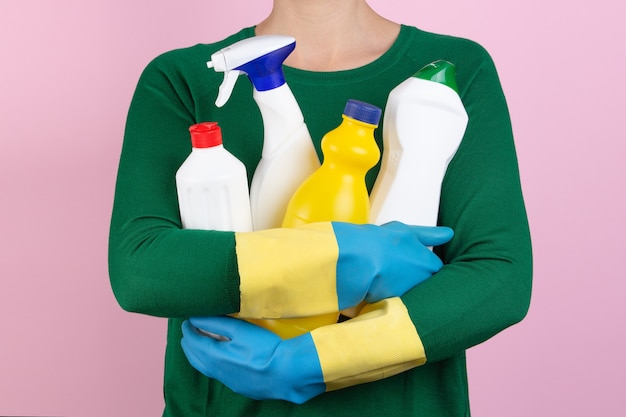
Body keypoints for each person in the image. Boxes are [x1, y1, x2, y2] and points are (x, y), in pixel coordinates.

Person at [108, 0, 532, 416]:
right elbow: (142, 269)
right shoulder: (182, 79)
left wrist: (312, 361)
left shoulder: (456, 68)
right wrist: (340, 254)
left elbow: (499, 276)